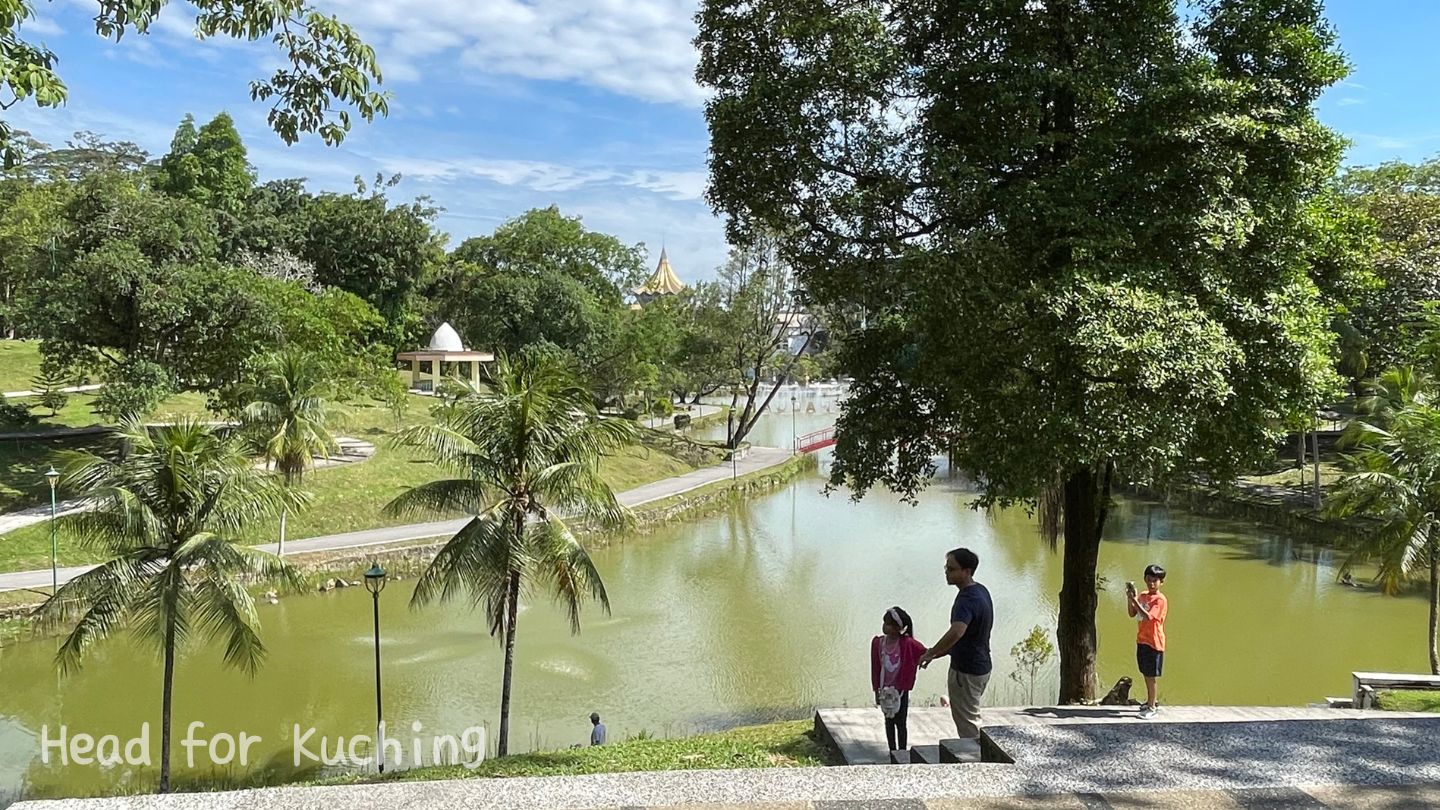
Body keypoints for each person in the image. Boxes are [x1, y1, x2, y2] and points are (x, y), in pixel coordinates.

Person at [919, 547, 993, 739]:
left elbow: (957, 631)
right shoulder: (981, 591)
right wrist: (935, 654)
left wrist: (931, 652)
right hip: (982, 665)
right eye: (946, 567)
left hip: (966, 672)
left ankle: (976, 762)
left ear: (966, 572)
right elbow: (968, 636)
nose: (946, 572)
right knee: (970, 716)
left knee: (968, 724)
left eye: (951, 569)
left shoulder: (966, 600)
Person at [871, 606, 926, 752]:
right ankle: (892, 750)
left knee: (901, 722)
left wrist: (926, 659)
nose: (885, 626)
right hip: (885, 690)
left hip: (901, 690)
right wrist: (876, 690)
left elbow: (923, 652)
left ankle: (902, 751)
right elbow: (875, 667)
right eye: (884, 622)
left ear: (898, 627)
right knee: (888, 721)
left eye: (888, 624)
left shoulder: (907, 643)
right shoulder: (878, 643)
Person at [1126, 563, 1168, 719]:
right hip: (1142, 640)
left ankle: (1152, 706)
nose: (1151, 584)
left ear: (1161, 582)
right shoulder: (1142, 595)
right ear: (1145, 579)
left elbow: (1149, 616)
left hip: (1154, 642)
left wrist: (1135, 601)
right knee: (1145, 672)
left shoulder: (1160, 600)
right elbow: (1132, 613)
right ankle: (1150, 700)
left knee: (1151, 676)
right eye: (1149, 580)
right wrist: (1130, 598)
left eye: (1155, 581)